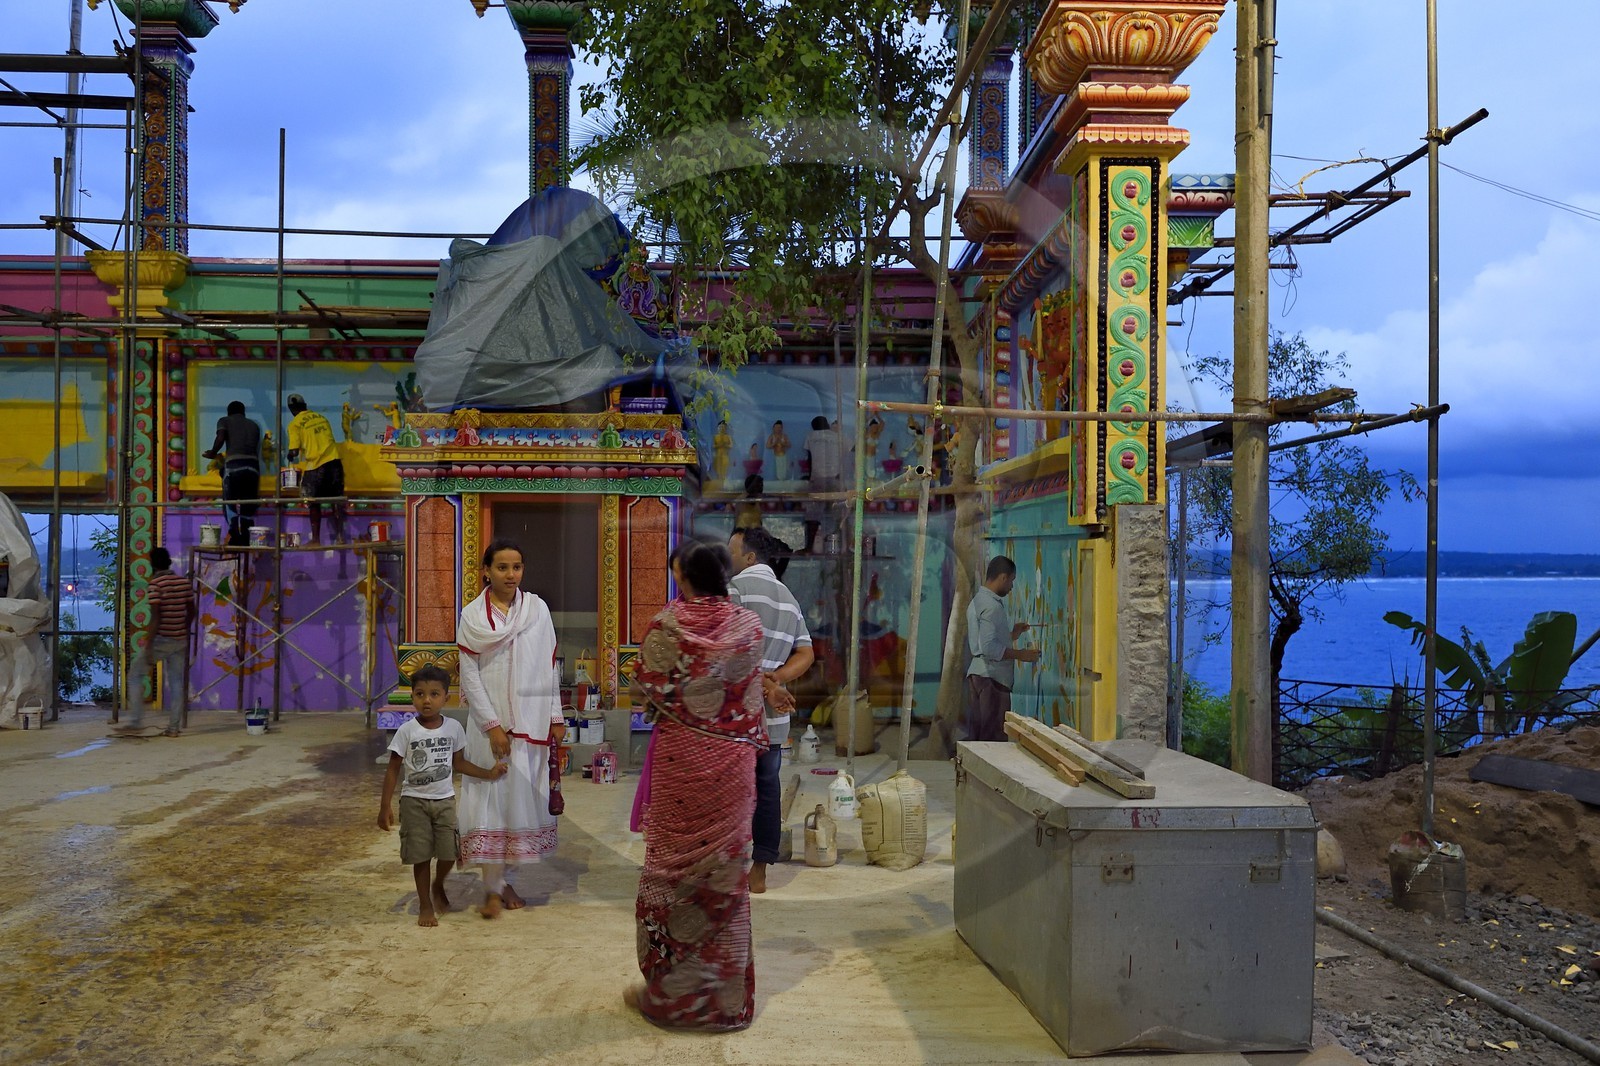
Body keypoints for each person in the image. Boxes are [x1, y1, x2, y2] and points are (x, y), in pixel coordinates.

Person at [626, 539, 765, 1031]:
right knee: (725, 879)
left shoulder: (667, 624)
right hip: (732, 768)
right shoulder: (749, 627)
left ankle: (670, 995)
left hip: (679, 762)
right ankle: (725, 1003)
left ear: (682, 577)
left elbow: (644, 686)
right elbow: (744, 689)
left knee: (669, 873)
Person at [455, 538, 566, 918]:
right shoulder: (472, 616)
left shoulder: (537, 609)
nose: (510, 574)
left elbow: (549, 667)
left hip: (530, 723)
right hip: (488, 728)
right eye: (502, 567)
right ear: (486, 571)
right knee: (489, 802)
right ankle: (494, 886)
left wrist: (555, 716)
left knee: (520, 805)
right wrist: (492, 727)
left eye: (516, 567)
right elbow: (470, 676)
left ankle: (506, 879)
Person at [377, 664, 507, 927]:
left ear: (446, 698)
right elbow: (392, 770)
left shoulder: (454, 728)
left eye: (434, 694)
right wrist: (385, 806)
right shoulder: (407, 731)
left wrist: (489, 773)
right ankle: (426, 904)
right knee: (421, 856)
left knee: (449, 853)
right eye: (420, 694)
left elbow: (459, 764)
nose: (427, 700)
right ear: (412, 697)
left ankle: (438, 884)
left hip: (444, 801)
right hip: (414, 801)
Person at [728, 526, 814, 894]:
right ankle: (759, 872)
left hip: (736, 718)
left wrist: (765, 683)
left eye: (732, 551)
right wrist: (776, 680)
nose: (728, 558)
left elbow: (733, 650)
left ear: (750, 557)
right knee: (767, 789)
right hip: (774, 720)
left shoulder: (736, 589)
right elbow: (806, 653)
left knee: (730, 790)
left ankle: (728, 866)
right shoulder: (789, 598)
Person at [117, 547, 196, 737]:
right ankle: (173, 728)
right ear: (168, 561)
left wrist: (149, 644)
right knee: (177, 683)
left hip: (161, 639)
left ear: (152, 564)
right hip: (180, 640)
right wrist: (183, 629)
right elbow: (192, 611)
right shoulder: (184, 583)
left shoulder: (155, 585)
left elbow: (155, 618)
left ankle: (136, 722)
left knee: (134, 675)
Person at [963, 555, 1040, 742]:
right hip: (992, 679)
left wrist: (1012, 634)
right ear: (1003, 577)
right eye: (1011, 580)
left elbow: (983, 641)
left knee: (978, 737)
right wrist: (1021, 655)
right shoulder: (992, 607)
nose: (1012, 586)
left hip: (978, 675)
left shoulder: (977, 601)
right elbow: (989, 647)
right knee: (993, 740)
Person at [286, 394, 348, 545]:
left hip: (316, 465)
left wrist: (289, 455)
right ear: (305, 405)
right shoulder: (322, 418)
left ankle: (315, 539)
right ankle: (340, 537)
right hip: (335, 462)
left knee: (312, 500)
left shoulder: (295, 424)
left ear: (291, 409)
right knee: (336, 500)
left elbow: (294, 451)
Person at [202, 401, 262, 547]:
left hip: (234, 466)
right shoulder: (254, 425)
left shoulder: (225, 421)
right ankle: (247, 537)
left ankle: (234, 535)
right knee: (249, 503)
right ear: (243, 412)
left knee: (230, 503)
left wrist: (213, 452)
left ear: (229, 412)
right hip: (253, 468)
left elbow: (220, 438)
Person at [802, 415, 843, 553]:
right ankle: (842, 546)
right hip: (835, 479)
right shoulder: (837, 436)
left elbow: (810, 458)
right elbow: (851, 450)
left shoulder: (811, 436)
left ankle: (809, 547)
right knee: (838, 514)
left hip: (818, 478)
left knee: (813, 515)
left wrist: (810, 477)